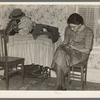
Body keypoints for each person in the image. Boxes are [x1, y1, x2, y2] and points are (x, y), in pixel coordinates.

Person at [51, 13, 94, 90]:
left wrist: (74, 47)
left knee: (60, 57)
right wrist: (63, 44)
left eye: (74, 27)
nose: (72, 29)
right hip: (69, 51)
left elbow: (87, 51)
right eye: (70, 26)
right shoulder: (68, 29)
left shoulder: (88, 32)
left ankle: (60, 85)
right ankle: (60, 86)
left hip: (81, 54)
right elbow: (66, 41)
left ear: (80, 24)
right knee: (59, 52)